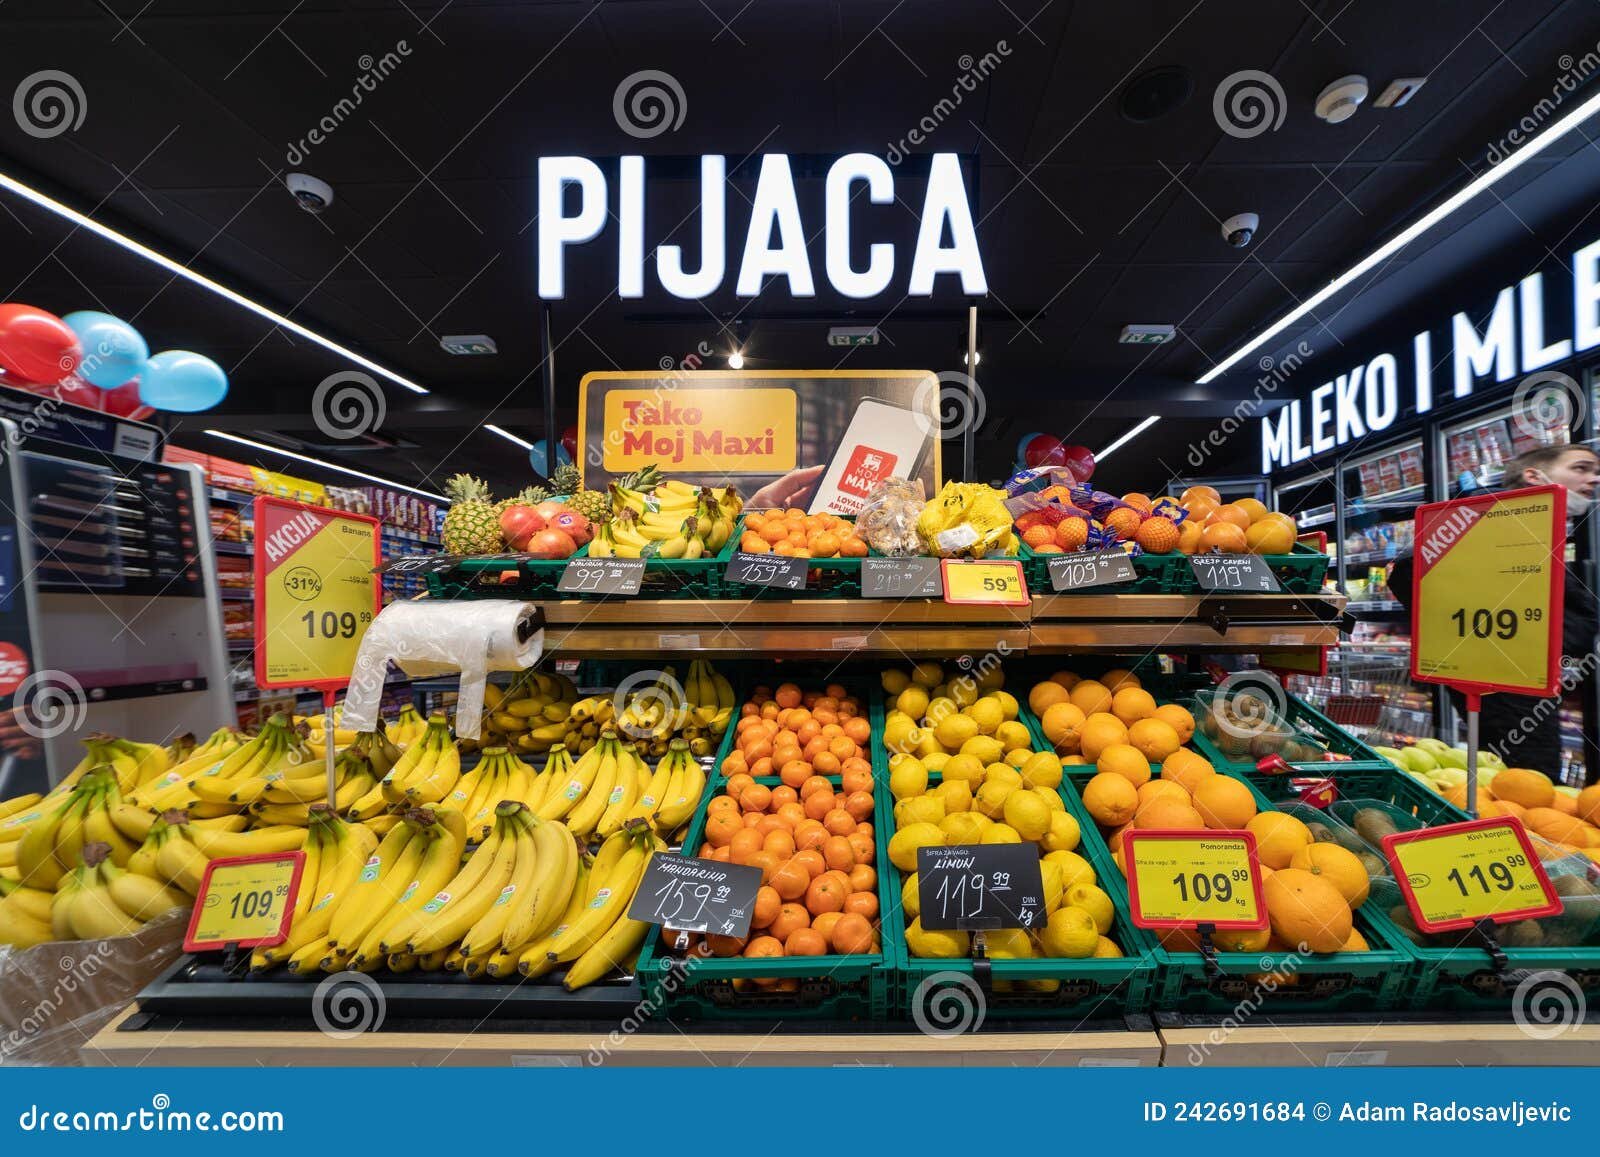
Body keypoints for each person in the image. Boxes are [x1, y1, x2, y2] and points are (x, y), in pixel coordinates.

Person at [1389, 443, 1599, 782]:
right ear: (1534, 475)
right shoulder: (1495, 515)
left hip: (1516, 673)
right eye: (1580, 468)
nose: (1593, 478)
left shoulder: (1529, 525)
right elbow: (1406, 569)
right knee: (1530, 779)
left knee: (1518, 777)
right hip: (1506, 679)